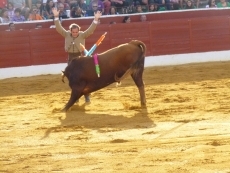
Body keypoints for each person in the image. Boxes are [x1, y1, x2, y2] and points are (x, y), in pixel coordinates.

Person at [52, 7, 102, 103]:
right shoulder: (66, 34)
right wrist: (56, 17)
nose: (75, 34)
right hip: (71, 58)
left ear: (78, 31)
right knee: (73, 79)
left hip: (80, 58)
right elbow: (58, 28)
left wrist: (96, 19)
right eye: (73, 32)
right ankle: (76, 96)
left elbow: (90, 30)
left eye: (76, 32)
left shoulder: (82, 34)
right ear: (70, 31)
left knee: (84, 77)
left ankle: (87, 95)